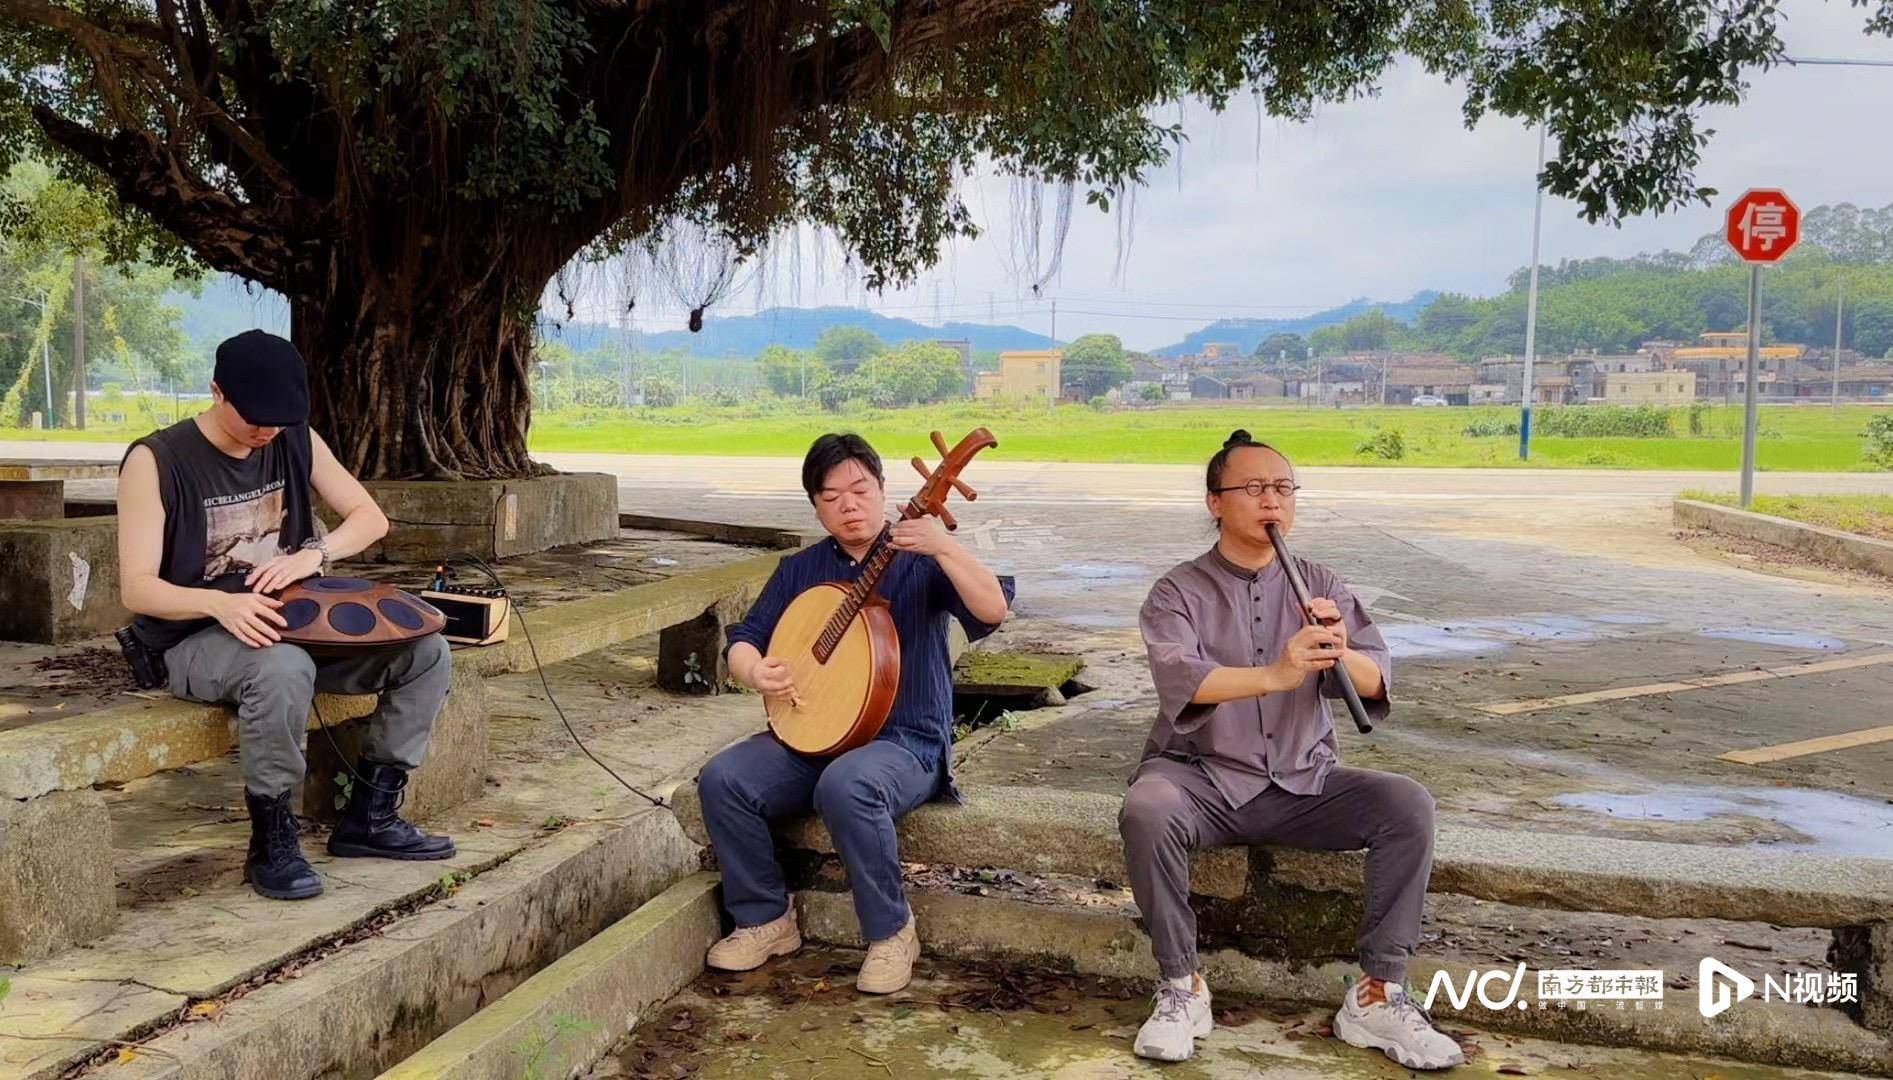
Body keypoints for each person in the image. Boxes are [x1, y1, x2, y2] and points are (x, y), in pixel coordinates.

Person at [1118, 429, 1462, 1070]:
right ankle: (1180, 986)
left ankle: (1379, 994)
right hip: (1205, 779)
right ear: (1215, 502)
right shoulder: (1177, 592)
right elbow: (1184, 680)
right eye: (1252, 488)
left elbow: (1376, 680)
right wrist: (1277, 673)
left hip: (1302, 781)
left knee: (1406, 803)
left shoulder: (1318, 583)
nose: (1270, 500)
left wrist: (1340, 647)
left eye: (1281, 488)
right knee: (1148, 808)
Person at [116, 330, 456, 902]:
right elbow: (138, 588)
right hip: (197, 636)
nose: (267, 431)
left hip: (297, 624)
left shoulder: (294, 438)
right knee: (283, 669)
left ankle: (368, 819)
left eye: (279, 420)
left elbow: (370, 519)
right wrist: (221, 602)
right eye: (254, 418)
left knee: (426, 651)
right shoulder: (157, 461)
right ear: (216, 392)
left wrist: (313, 553)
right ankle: (272, 840)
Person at [695, 433, 1012, 994]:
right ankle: (765, 919)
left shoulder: (920, 556)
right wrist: (753, 671)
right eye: (831, 495)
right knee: (725, 778)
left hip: (904, 742)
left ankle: (891, 933)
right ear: (816, 506)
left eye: (860, 489)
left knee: (848, 783)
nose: (848, 504)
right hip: (812, 735)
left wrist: (945, 547)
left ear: (882, 489)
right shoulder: (802, 568)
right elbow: (745, 638)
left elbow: (994, 610)